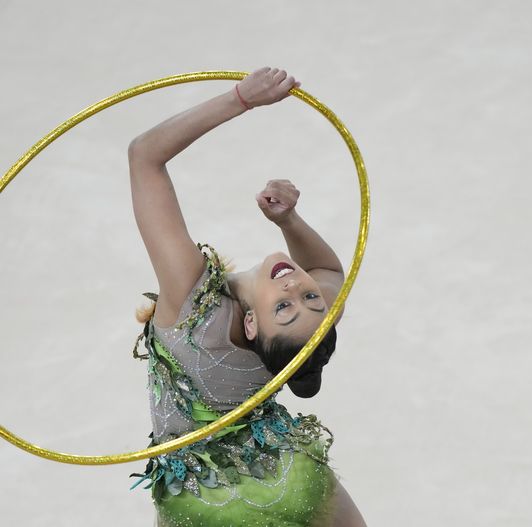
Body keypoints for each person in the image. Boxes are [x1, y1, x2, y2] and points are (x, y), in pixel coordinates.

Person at [126, 67, 366, 527]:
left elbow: (144, 156)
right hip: (282, 468)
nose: (296, 287)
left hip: (203, 498)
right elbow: (329, 271)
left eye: (283, 306)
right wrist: (289, 222)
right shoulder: (293, 334)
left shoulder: (194, 303)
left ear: (252, 324)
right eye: (310, 299)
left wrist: (241, 98)